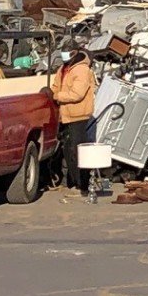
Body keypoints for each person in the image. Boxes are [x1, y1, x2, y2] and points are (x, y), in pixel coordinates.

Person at [49, 50, 97, 198]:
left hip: (78, 116)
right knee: (68, 151)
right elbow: (56, 86)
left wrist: (56, 96)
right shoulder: (63, 69)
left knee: (77, 152)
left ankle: (82, 185)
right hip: (66, 116)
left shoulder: (81, 70)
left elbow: (77, 94)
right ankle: (72, 182)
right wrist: (51, 93)